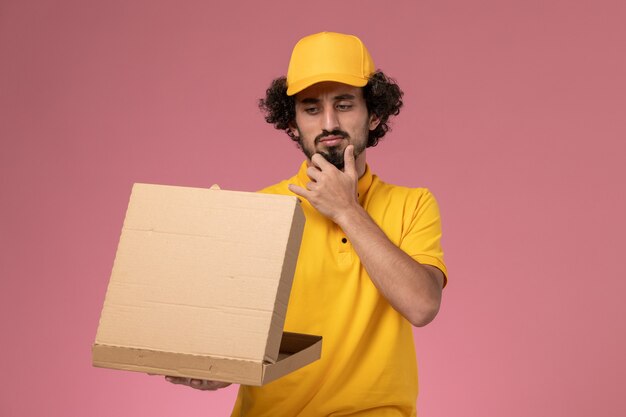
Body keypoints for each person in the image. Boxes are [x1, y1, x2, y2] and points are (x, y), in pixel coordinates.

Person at [166, 31, 447, 417]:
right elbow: (234, 340)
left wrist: (347, 210)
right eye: (311, 109)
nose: (329, 123)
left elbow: (422, 306)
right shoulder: (262, 209)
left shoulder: (412, 204)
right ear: (293, 124)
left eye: (345, 105)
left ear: (375, 114)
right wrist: (217, 369)